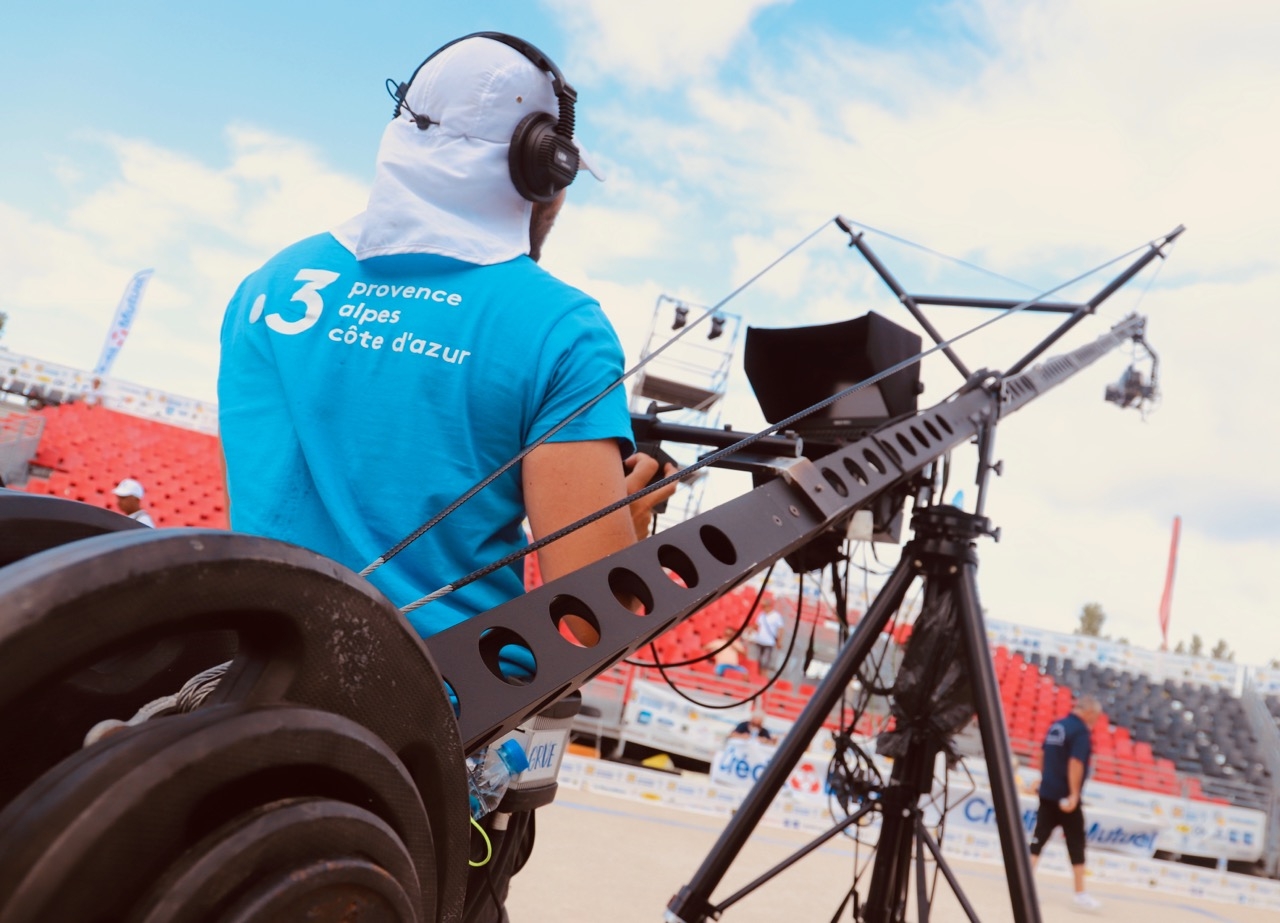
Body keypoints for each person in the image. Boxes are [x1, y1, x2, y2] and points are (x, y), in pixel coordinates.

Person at [217, 33, 673, 923]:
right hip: (426, 766)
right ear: (543, 166)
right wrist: (629, 520)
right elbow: (596, 612)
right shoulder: (560, 329)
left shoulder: (272, 282)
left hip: (241, 722)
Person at [1029, 693, 1103, 913]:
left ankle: (1024, 883)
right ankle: (1080, 894)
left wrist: (1044, 779)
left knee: (1038, 838)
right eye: (1096, 716)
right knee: (1076, 843)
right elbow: (1076, 763)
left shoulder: (1057, 726)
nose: (1096, 721)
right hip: (1064, 798)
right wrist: (1073, 794)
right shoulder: (1080, 731)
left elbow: (1042, 755)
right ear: (1089, 711)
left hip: (1047, 792)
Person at [748, 598, 786, 672]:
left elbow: (781, 629)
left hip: (769, 642)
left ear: (769, 606)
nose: (763, 608)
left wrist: (779, 641)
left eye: (764, 606)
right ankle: (756, 675)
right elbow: (757, 624)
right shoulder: (761, 615)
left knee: (765, 663)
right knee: (757, 661)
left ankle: (762, 677)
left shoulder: (776, 616)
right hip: (759, 641)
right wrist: (751, 629)